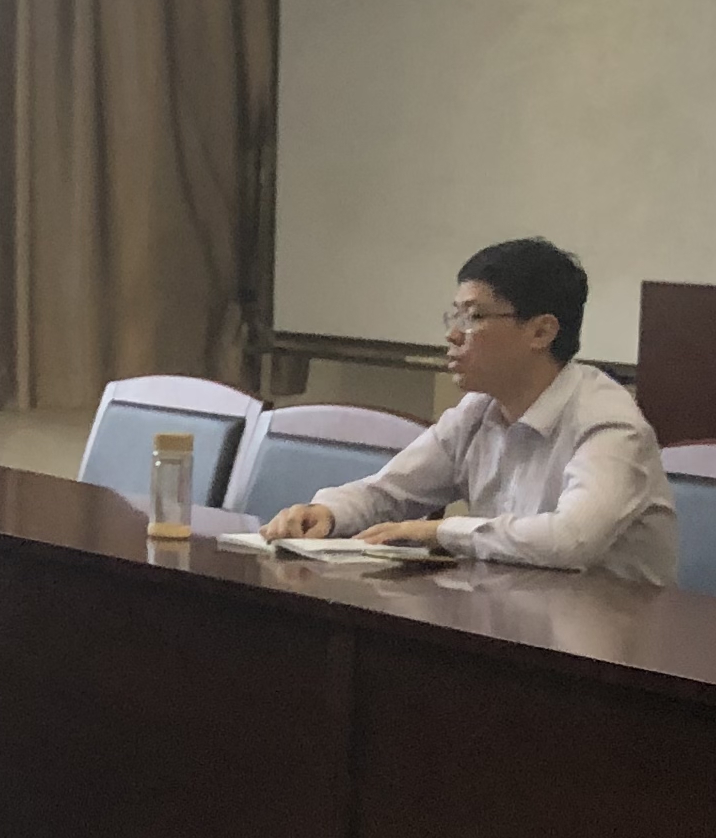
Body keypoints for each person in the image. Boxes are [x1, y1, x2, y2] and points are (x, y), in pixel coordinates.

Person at [263, 236, 678, 584]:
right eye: (455, 315)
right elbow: (388, 492)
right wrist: (327, 513)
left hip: (611, 639)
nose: (453, 334)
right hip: (511, 617)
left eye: (474, 317)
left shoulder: (609, 424)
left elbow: (571, 541)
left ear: (541, 331)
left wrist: (440, 531)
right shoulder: (477, 411)